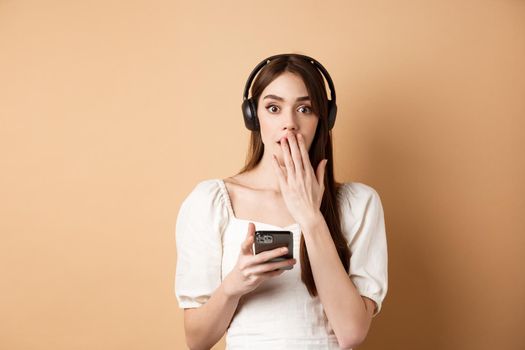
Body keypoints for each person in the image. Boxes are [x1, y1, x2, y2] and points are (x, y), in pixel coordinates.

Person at [174, 53, 388, 349]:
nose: (289, 123)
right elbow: (197, 340)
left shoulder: (359, 203)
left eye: (305, 108)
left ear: (323, 119)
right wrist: (234, 286)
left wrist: (311, 217)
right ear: (253, 117)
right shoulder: (210, 201)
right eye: (273, 108)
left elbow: (351, 333)